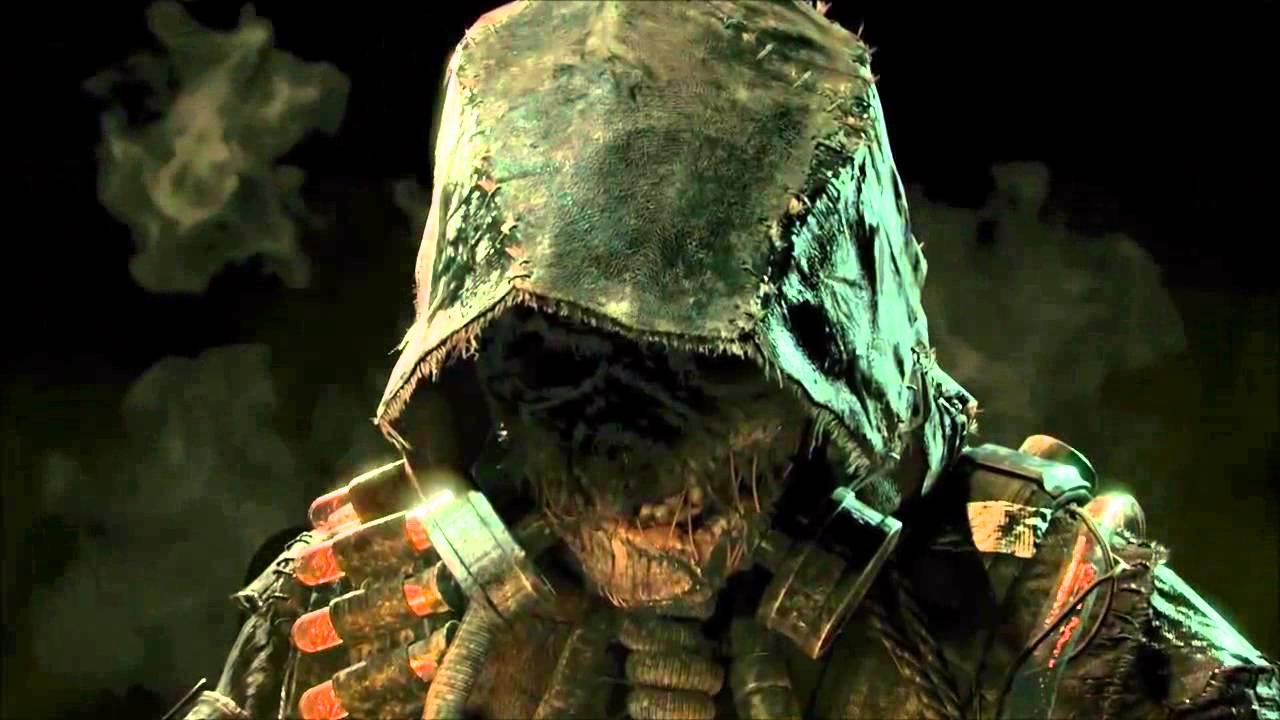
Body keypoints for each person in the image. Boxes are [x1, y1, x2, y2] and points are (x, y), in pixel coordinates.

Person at [177, 2, 1278, 718]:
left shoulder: (1038, 604)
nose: (637, 469)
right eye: (569, 370)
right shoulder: (366, 617)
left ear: (830, 381)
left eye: (702, 372)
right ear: (482, 377)